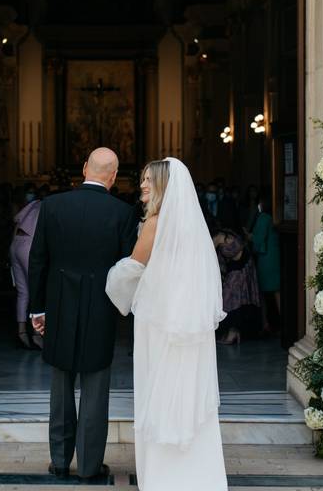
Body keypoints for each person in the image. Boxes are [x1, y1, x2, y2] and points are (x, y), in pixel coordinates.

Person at [106, 158, 228, 491]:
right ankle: (199, 474)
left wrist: (111, 285)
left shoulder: (155, 223)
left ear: (163, 186)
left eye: (148, 180)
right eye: (143, 179)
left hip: (158, 322)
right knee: (187, 393)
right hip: (186, 323)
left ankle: (163, 477)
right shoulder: (190, 226)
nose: (142, 185)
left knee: (157, 389)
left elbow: (132, 268)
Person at [28, 148, 139, 480]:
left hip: (59, 306)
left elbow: (37, 261)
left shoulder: (52, 206)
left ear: (84, 168)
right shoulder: (123, 213)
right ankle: (90, 465)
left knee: (60, 386)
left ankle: (60, 461)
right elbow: (126, 269)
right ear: (114, 176)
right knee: (95, 389)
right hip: (100, 309)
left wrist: (38, 308)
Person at [213, 229, 261, 345]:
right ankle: (234, 332)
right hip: (244, 273)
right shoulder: (230, 236)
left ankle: (233, 332)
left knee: (228, 302)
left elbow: (234, 253)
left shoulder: (221, 238)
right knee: (232, 302)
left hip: (239, 274)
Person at [10, 191, 42, 350]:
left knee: (23, 292)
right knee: (37, 290)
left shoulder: (31, 206)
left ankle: (21, 331)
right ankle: (37, 334)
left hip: (15, 244)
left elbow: (16, 222)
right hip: (29, 246)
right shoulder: (45, 207)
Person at [250, 195, 282, 335]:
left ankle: (265, 323)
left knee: (263, 292)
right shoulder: (275, 216)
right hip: (275, 255)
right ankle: (282, 323)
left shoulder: (263, 218)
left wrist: (249, 237)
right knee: (277, 291)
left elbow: (258, 239)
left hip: (266, 258)